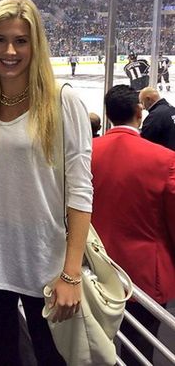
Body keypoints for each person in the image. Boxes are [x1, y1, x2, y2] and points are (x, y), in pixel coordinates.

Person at [0, 0, 93, 366]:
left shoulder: (61, 102)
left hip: (46, 264)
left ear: (35, 45)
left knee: (50, 359)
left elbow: (80, 189)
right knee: (4, 357)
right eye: (0, 39)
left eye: (21, 41)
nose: (9, 50)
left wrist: (71, 273)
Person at [91, 84, 175, 366]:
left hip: (95, 271)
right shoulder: (164, 160)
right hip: (145, 278)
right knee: (141, 349)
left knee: (98, 342)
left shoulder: (87, 153)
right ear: (139, 113)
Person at [139, 86, 175, 150]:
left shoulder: (154, 117)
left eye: (142, 102)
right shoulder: (172, 109)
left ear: (148, 99)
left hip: (165, 155)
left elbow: (144, 141)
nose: (143, 107)